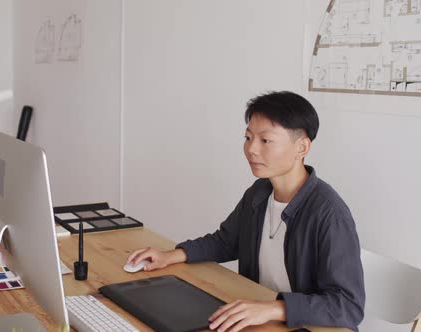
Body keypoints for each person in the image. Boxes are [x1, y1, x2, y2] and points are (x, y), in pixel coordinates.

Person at [127, 91, 365, 331]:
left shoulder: (329, 213)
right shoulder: (260, 192)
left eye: (265, 140)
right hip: (260, 319)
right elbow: (226, 242)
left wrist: (273, 308)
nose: (251, 149)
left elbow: (348, 305)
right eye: (248, 137)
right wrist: (170, 256)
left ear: (301, 147)